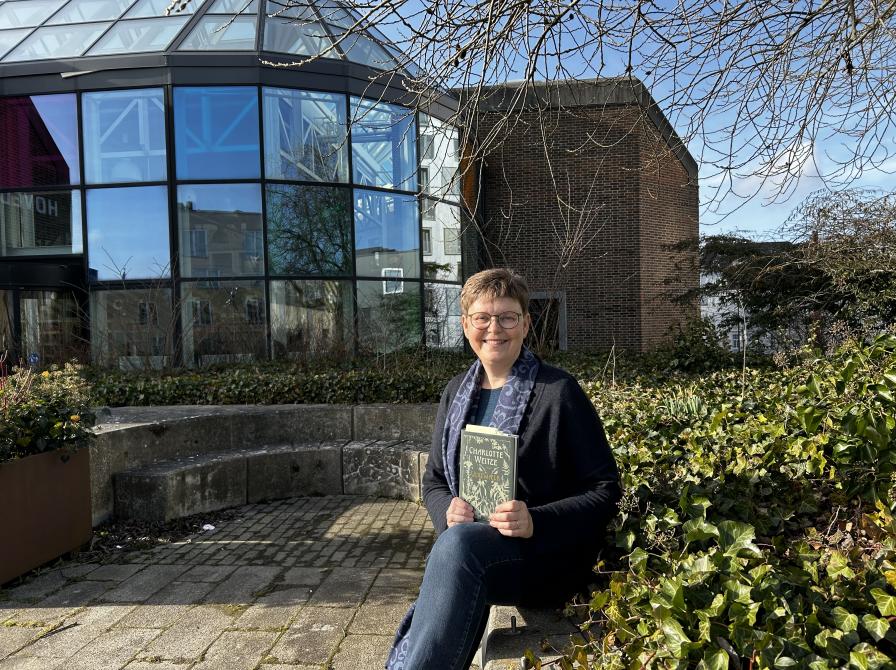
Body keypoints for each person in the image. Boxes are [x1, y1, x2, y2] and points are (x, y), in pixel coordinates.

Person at [386, 268, 621, 670]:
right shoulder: (455, 392)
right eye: (482, 317)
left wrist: (537, 521)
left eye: (507, 317)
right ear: (465, 325)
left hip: (542, 557)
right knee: (456, 546)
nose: (494, 328)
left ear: (525, 324)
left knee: (455, 550)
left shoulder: (559, 392)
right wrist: (447, 511)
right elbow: (435, 481)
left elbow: (604, 489)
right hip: (475, 550)